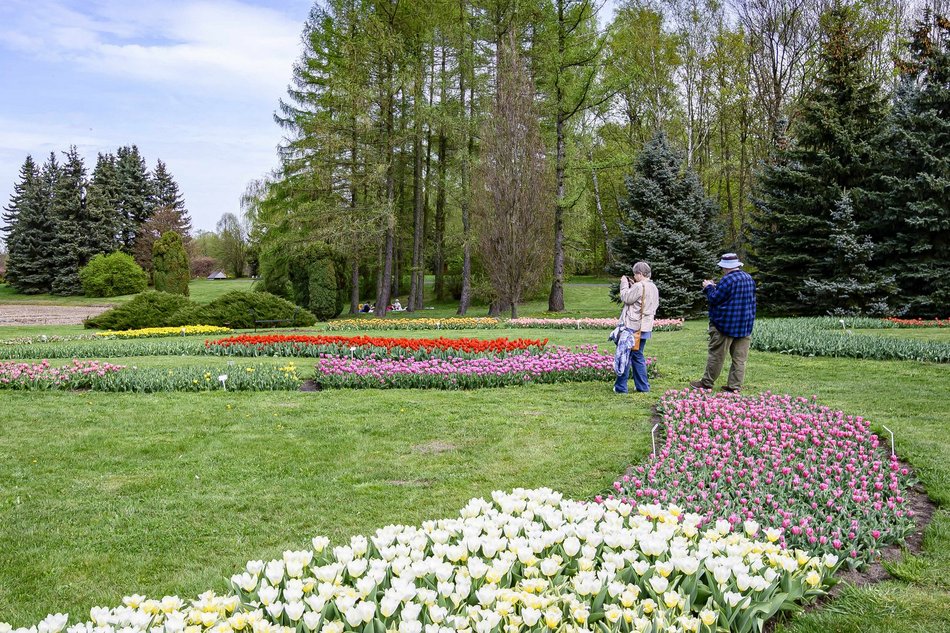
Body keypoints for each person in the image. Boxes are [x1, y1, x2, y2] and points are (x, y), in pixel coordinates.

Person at [690, 253, 757, 393]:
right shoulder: (748, 278)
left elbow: (714, 299)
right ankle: (734, 386)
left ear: (725, 268)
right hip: (744, 325)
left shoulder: (727, 280)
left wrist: (708, 287)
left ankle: (707, 383)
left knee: (717, 355)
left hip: (725, 325)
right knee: (739, 359)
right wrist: (716, 286)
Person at [613, 261, 659, 393]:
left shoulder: (639, 286)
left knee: (624, 355)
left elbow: (626, 297)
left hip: (633, 326)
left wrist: (623, 284)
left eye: (635, 274)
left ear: (640, 273)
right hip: (645, 326)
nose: (634, 277)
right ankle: (643, 386)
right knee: (638, 356)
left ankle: (621, 387)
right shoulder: (653, 287)